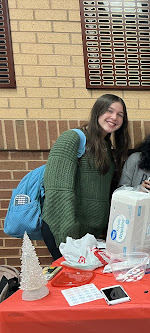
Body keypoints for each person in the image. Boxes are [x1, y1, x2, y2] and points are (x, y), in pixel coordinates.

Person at [42, 94, 130, 260]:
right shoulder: (72, 139)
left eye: (120, 115)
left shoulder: (106, 146)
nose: (114, 117)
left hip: (89, 234)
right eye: (109, 111)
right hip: (66, 231)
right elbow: (58, 191)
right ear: (97, 112)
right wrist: (68, 235)